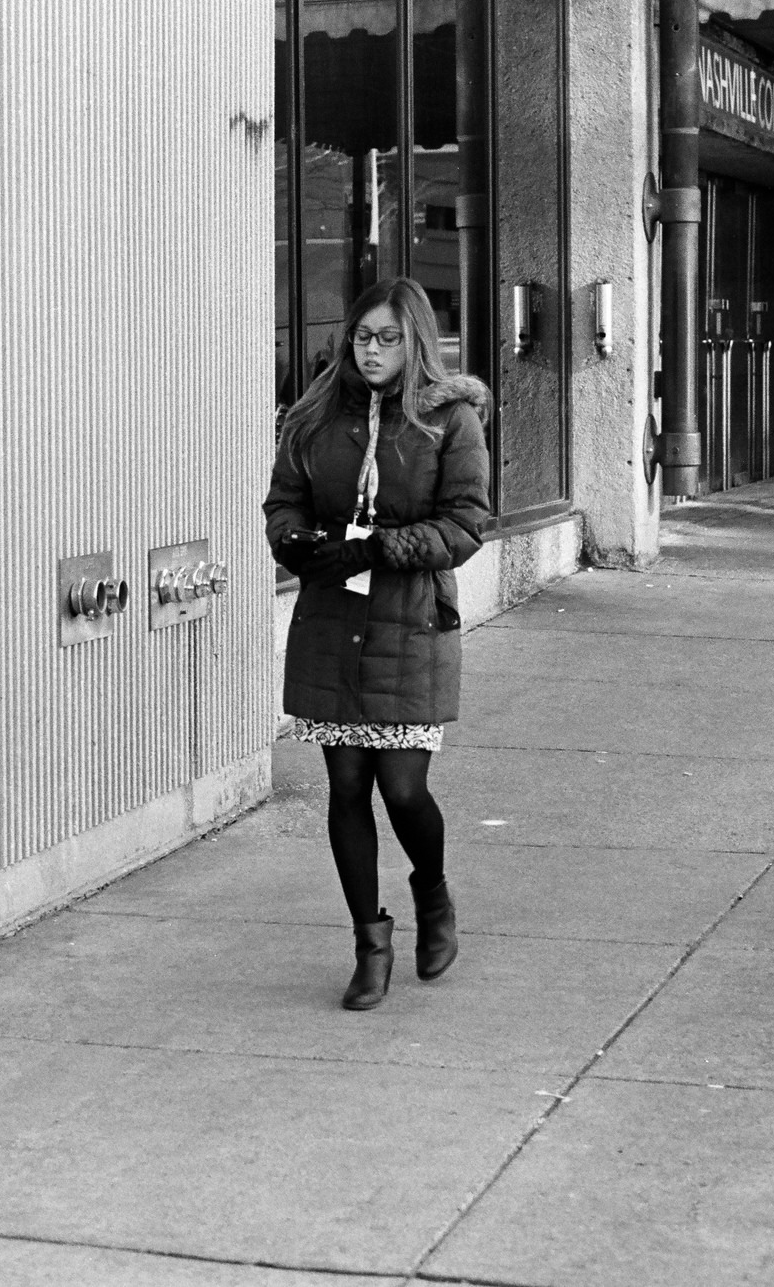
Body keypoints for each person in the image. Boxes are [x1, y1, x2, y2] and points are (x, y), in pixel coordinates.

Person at [262, 278, 491, 1011]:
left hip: (411, 622)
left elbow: (465, 526)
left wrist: (379, 549)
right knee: (347, 788)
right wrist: (297, 544)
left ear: (415, 340)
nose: (371, 349)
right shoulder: (313, 415)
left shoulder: (448, 421)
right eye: (361, 335)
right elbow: (283, 503)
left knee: (404, 789)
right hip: (331, 624)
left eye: (387, 337)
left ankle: (433, 893)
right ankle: (370, 941)